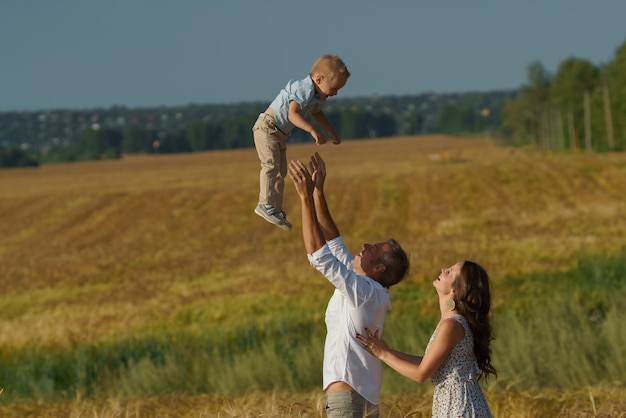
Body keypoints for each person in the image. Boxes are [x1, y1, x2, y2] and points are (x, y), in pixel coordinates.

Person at [288, 152, 410, 418]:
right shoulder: (369, 290)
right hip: (358, 396)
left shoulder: (363, 291)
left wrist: (305, 198)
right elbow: (334, 243)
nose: (365, 245)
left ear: (379, 268)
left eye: (373, 249)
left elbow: (320, 257)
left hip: (347, 399)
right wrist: (319, 191)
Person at [356, 261, 497, 418]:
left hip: (459, 407)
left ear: (456, 291)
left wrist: (383, 354)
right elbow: (428, 363)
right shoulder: (452, 323)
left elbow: (421, 374)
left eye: (449, 272)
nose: (443, 269)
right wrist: (386, 351)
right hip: (457, 404)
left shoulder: (452, 325)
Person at [253, 54, 350, 231]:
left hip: (279, 134)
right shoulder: (304, 89)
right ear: (319, 79)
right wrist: (312, 131)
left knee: (280, 170)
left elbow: (317, 113)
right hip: (267, 128)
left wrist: (331, 132)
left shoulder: (316, 96)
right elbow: (292, 114)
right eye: (334, 88)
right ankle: (265, 205)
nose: (335, 94)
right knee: (271, 165)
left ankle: (273, 208)